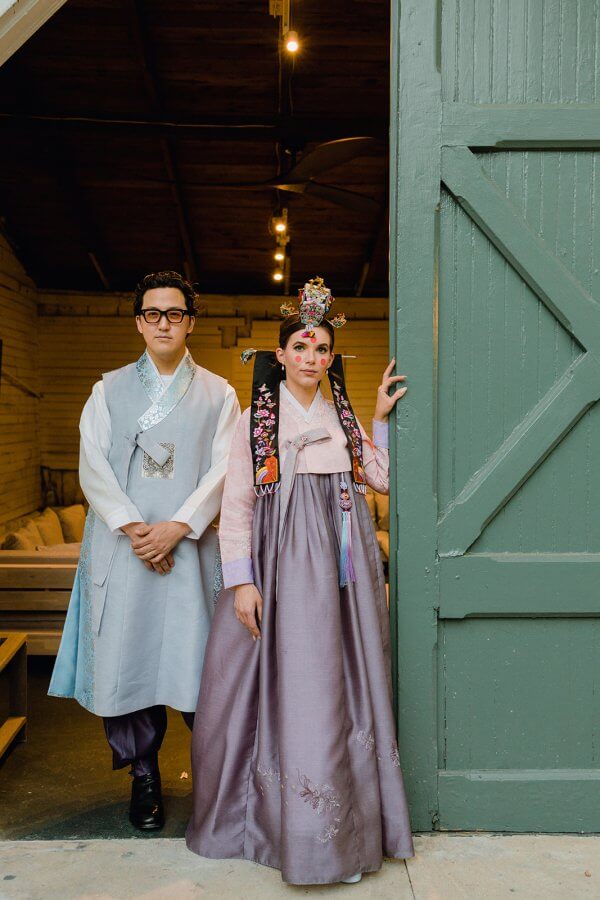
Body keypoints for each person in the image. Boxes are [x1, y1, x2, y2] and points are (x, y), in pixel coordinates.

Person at [186, 277, 413, 885]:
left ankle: (347, 829)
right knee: (286, 683)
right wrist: (243, 582)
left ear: (330, 358)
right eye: (300, 348)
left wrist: (378, 419)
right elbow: (236, 505)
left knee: (344, 683)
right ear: (280, 354)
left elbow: (382, 479)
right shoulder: (255, 421)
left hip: (343, 573)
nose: (311, 359)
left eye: (321, 351)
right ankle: (285, 828)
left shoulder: (340, 415)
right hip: (283, 570)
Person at [49, 270, 240, 831]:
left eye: (174, 314)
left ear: (190, 322)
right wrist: (136, 529)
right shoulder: (106, 390)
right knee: (132, 665)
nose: (163, 323)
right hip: (126, 549)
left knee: (198, 663)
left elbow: (226, 468)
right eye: (153, 314)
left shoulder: (219, 393)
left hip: (188, 549)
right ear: (139, 322)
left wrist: (178, 526)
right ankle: (145, 777)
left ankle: (215, 780)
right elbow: (94, 466)